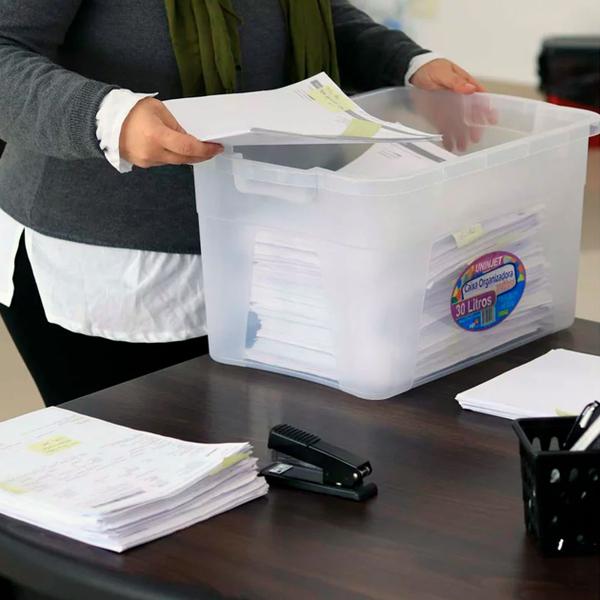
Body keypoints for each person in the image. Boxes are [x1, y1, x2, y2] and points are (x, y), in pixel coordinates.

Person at [0, 0, 484, 407]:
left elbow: (303, 14)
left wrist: (406, 64)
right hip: (114, 267)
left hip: (268, 242)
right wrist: (109, 116)